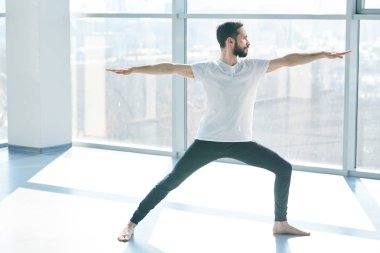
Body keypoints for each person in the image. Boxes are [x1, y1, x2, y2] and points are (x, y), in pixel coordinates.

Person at [107, 21, 351, 242]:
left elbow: (288, 60)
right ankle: (131, 223)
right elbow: (170, 68)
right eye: (244, 37)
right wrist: (134, 70)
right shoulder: (207, 69)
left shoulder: (253, 67)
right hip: (208, 141)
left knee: (283, 168)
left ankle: (280, 223)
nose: (248, 42)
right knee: (170, 182)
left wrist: (322, 54)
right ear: (230, 41)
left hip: (241, 142)